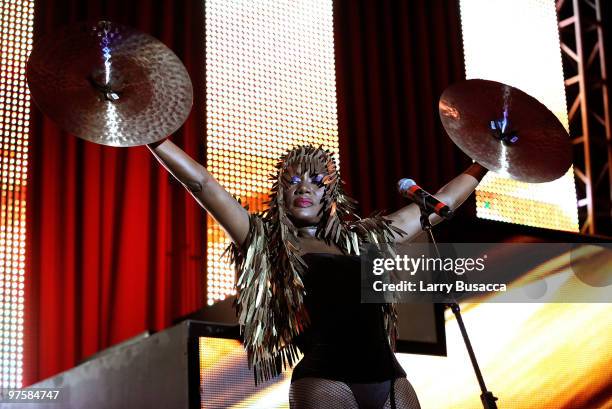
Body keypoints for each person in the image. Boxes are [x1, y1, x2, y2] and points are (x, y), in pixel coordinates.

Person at [147, 140, 487, 408]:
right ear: (281, 193)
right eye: (292, 181)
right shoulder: (267, 240)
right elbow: (202, 183)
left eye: (316, 180)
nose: (303, 188)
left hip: (391, 382)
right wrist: (151, 135)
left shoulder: (365, 240)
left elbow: (443, 202)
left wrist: (487, 159)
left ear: (331, 193)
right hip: (325, 381)